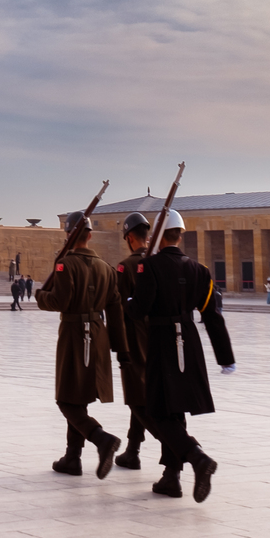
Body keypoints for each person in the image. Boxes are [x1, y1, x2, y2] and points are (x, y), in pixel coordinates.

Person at [124, 209, 227, 503]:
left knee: (157, 411)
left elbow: (139, 309)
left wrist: (131, 299)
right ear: (180, 234)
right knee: (176, 409)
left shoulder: (150, 266)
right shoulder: (200, 269)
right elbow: (211, 316)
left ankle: (197, 457)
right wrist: (225, 357)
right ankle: (171, 477)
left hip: (162, 341)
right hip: (190, 342)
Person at [35, 210, 125, 480]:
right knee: (78, 398)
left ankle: (101, 439)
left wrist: (41, 297)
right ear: (89, 235)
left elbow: (60, 301)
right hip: (98, 334)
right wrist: (120, 347)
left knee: (66, 400)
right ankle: (72, 457)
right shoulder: (106, 268)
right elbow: (116, 308)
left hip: (74, 334)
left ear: (69, 235)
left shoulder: (66, 264)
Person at [112, 212, 161, 472]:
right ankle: (132, 451)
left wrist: (119, 346)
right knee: (142, 396)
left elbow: (120, 309)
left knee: (136, 398)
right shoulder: (157, 263)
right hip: (159, 340)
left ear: (130, 238)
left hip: (135, 340)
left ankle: (182, 448)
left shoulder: (126, 266)